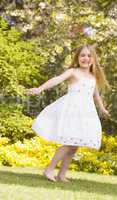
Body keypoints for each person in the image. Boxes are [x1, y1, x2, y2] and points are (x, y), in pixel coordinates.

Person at [26, 44, 111, 182]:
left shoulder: (93, 77)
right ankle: (49, 169)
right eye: (82, 55)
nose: (86, 58)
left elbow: (96, 95)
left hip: (85, 112)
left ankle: (62, 174)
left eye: (89, 56)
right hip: (72, 110)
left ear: (93, 59)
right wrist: (40, 88)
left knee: (74, 145)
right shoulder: (73, 72)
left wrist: (102, 109)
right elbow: (56, 79)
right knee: (68, 143)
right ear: (77, 58)